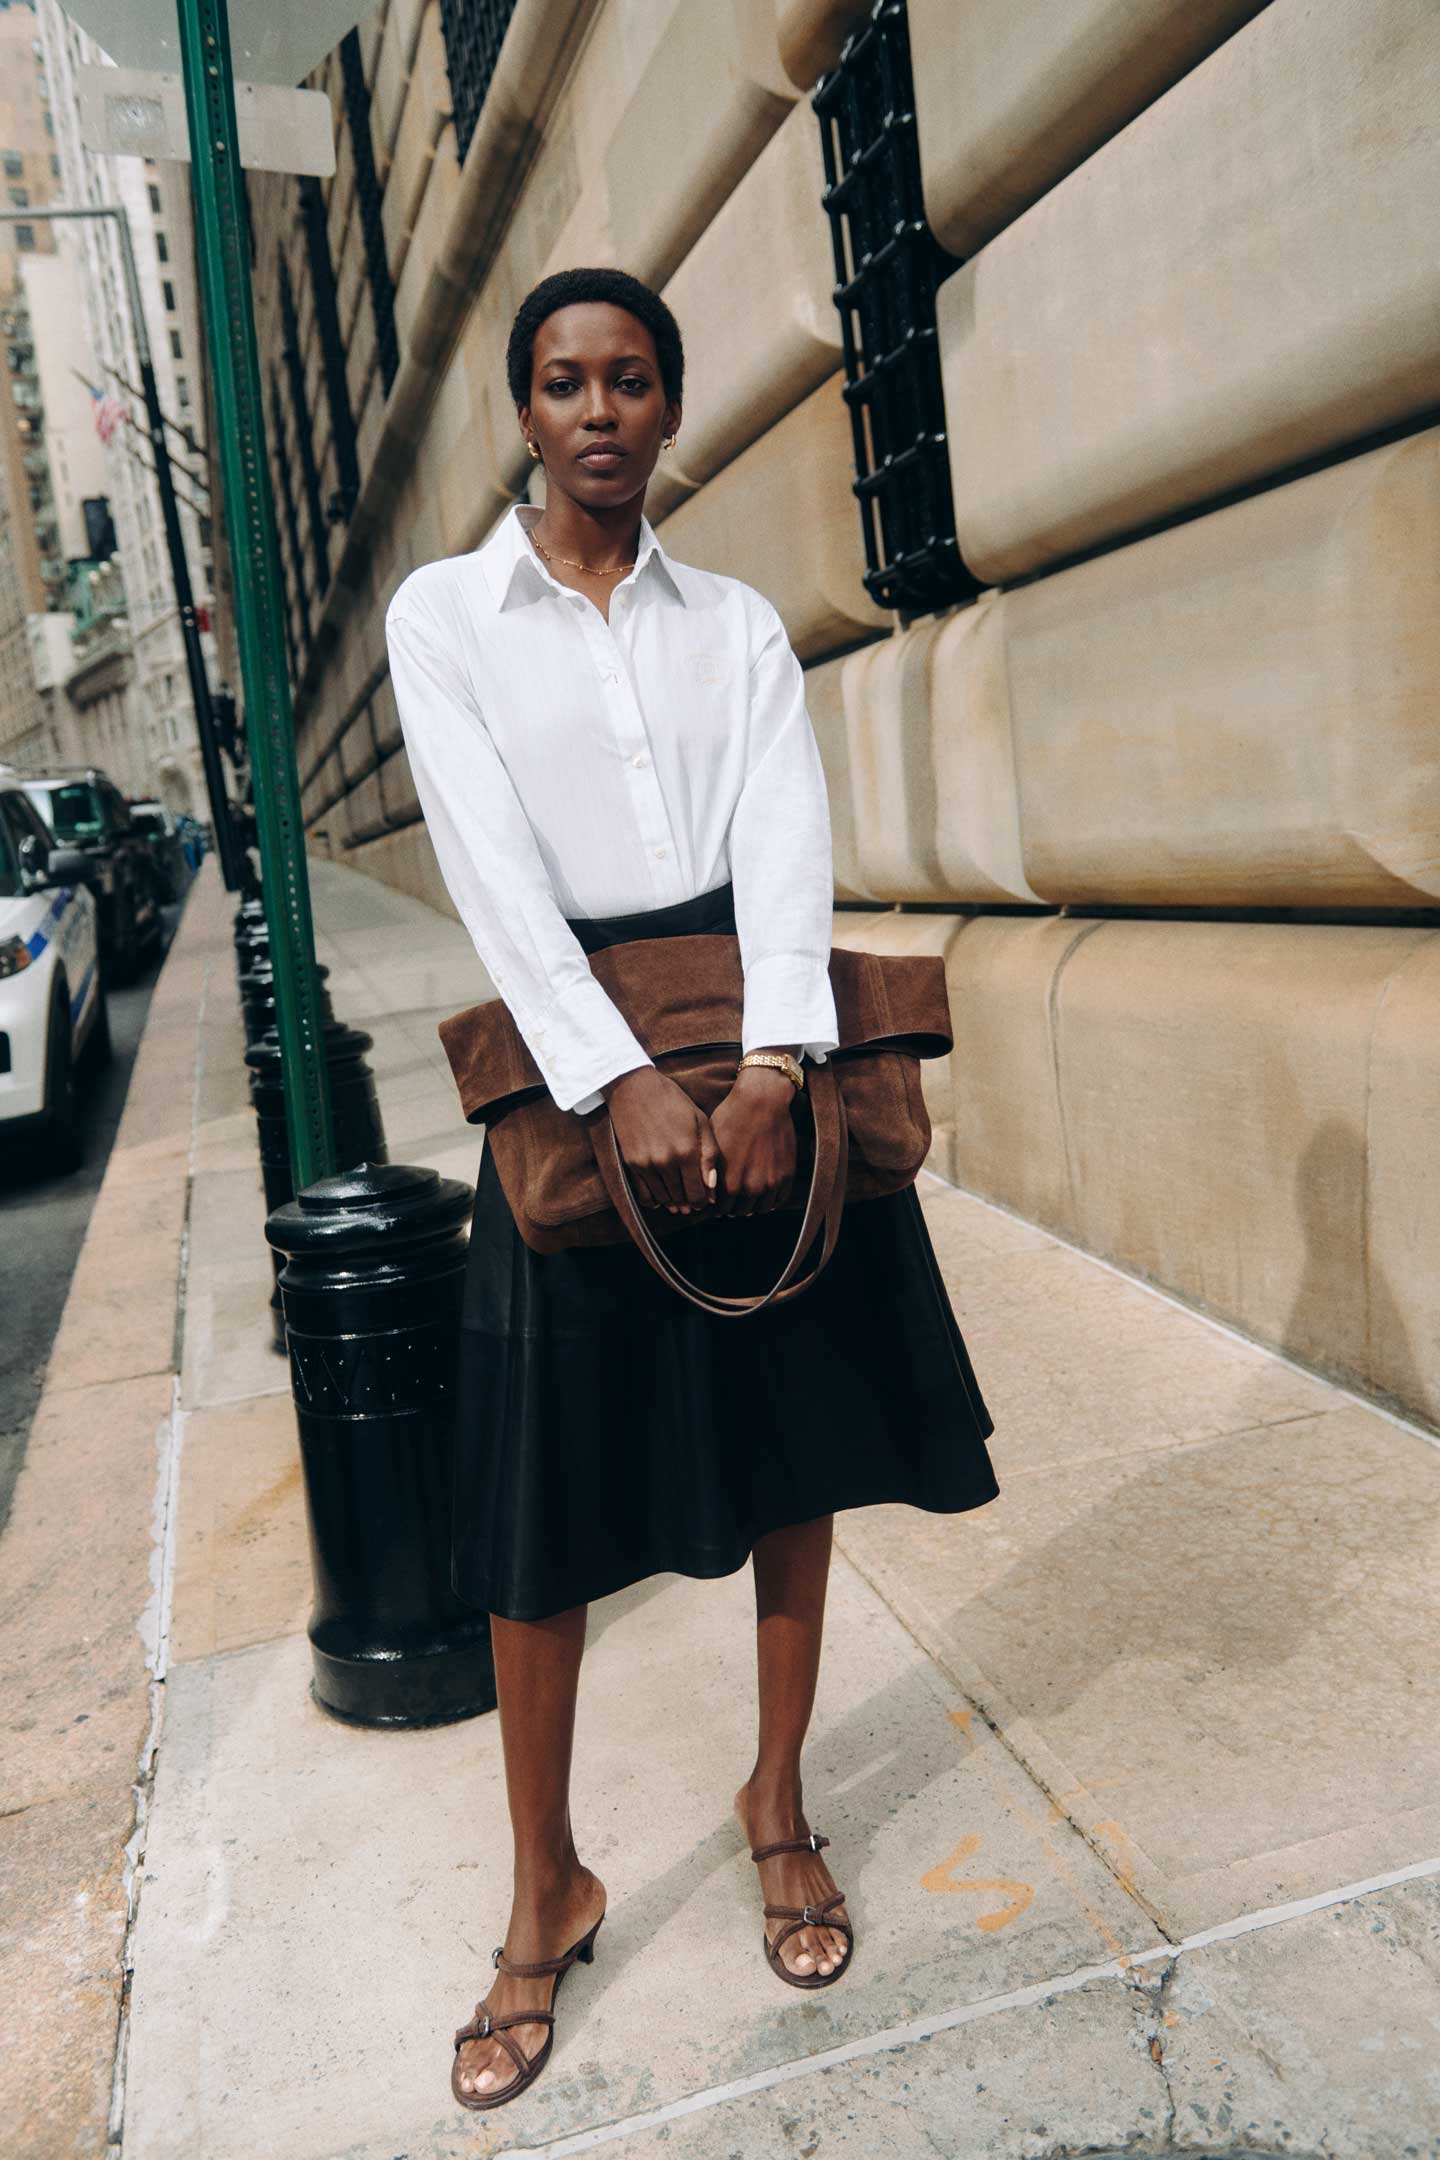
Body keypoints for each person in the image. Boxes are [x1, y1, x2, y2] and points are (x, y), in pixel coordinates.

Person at [385, 267, 999, 2115]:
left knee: (796, 1443)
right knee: (540, 1516)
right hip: (593, 1087)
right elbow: (488, 861)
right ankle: (542, 1891)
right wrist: (618, 1077)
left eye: (632, 380)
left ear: (666, 410)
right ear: (524, 410)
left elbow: (783, 833)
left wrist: (770, 1065)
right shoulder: (445, 613)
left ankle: (780, 1800)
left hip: (754, 1052)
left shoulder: (732, 622)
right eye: (566, 381)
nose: (599, 411)